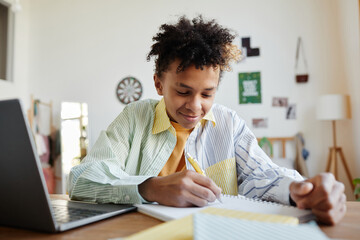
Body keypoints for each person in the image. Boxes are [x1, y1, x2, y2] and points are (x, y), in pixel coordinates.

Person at [68, 15, 346, 225]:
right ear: (158, 83)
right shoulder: (134, 118)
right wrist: (150, 187)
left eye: (207, 93)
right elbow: (82, 180)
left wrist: (298, 189)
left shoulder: (229, 125)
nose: (195, 106)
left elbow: (261, 177)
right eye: (182, 91)